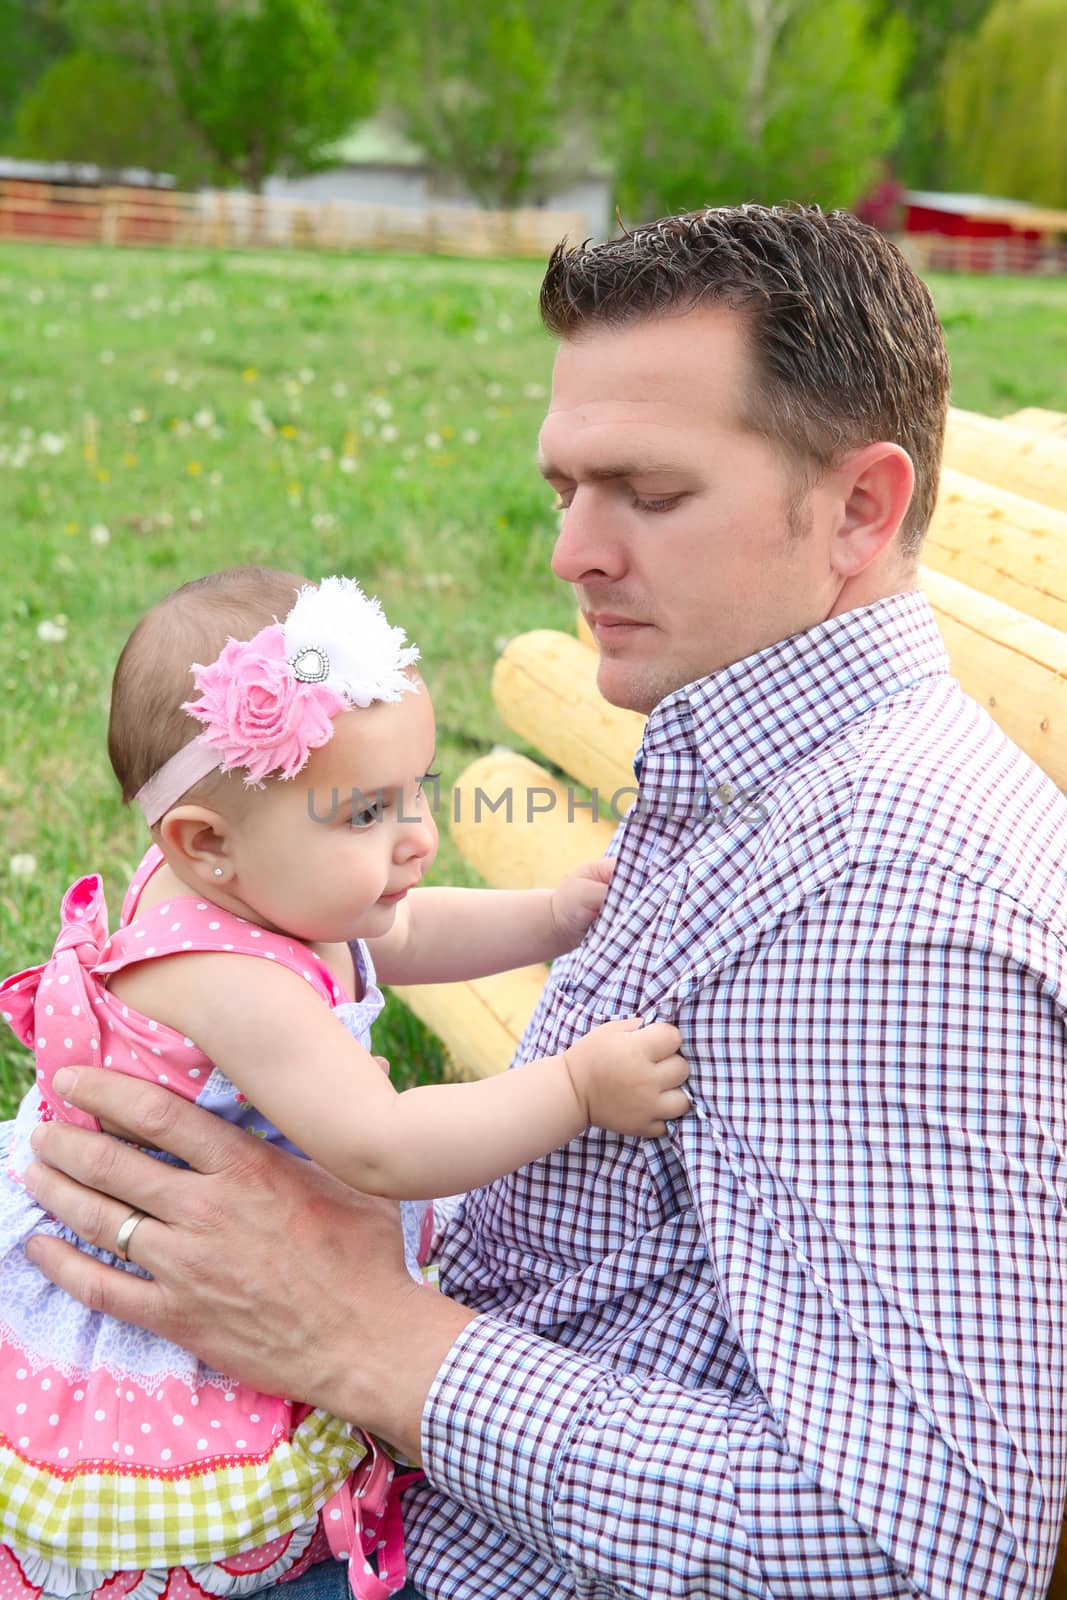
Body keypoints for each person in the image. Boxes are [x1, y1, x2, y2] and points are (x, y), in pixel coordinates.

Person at [21, 203, 1067, 1599]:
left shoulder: (892, 911)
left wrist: (368, 1345)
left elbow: (917, 1547)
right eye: (565, 486)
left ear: (860, 508)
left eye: (646, 491)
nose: (573, 549)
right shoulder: (754, 765)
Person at [0, 567, 689, 1600]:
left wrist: (546, 914)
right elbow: (381, 1142)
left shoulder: (274, 890)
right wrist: (577, 1091)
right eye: (364, 811)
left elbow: (402, 928)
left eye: (411, 791)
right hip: (176, 1281)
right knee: (232, 1494)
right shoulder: (228, 978)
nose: (415, 834)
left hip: (231, 1207)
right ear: (207, 846)